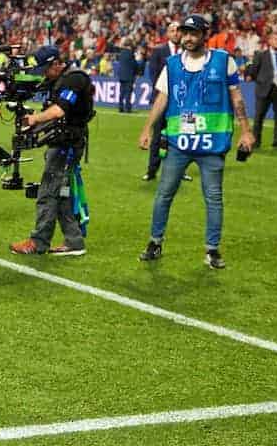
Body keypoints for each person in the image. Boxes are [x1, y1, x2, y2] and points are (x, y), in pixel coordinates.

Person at [138, 14, 255, 269]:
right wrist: (147, 129)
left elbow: (237, 99)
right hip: (179, 144)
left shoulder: (224, 61)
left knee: (213, 198)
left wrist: (246, 130)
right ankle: (155, 242)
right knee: (163, 195)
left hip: (212, 145)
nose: (188, 38)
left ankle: (212, 250)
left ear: (205, 34)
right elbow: (161, 99)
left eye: (193, 33)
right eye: (185, 33)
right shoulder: (172, 64)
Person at [8, 46, 95, 256]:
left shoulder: (75, 79)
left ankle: (38, 242)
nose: (44, 74)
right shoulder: (58, 80)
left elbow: (60, 110)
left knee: (47, 192)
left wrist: (35, 118)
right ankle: (74, 241)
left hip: (68, 144)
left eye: (45, 69)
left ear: (57, 63)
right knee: (62, 194)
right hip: (61, 142)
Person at [142, 23, 181, 181]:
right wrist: (164, 93)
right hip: (162, 99)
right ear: (167, 34)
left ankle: (178, 170)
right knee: (157, 136)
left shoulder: (187, 52)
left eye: (178, 30)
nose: (176, 33)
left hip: (180, 102)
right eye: (172, 30)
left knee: (179, 136)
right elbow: (153, 74)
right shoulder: (159, 51)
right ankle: (152, 170)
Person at [246, 29, 277, 148]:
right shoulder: (261, 55)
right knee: (259, 116)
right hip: (264, 89)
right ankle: (256, 141)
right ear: (269, 41)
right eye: (275, 39)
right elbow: (254, 69)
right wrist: (250, 76)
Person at [107, 38, 141, 113]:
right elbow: (134, 64)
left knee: (122, 92)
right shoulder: (130, 53)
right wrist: (138, 70)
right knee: (128, 93)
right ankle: (128, 108)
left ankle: (120, 107)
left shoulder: (121, 53)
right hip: (129, 75)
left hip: (122, 75)